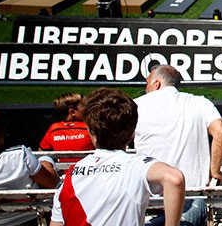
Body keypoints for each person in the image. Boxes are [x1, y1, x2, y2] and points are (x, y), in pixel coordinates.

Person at [50, 88, 185, 226]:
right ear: (132, 133)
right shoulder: (136, 166)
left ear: (91, 131)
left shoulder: (70, 177)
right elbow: (174, 179)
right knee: (194, 210)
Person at [134, 65, 222, 226]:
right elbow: (221, 133)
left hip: (148, 197)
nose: (146, 87)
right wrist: (215, 171)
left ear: (156, 83)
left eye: (147, 82)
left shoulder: (135, 105)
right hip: (189, 196)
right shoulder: (200, 102)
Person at [39, 92, 94, 163]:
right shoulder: (89, 127)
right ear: (72, 112)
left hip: (64, 172)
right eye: (84, 106)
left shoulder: (54, 129)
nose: (88, 109)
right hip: (88, 172)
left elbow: (41, 153)